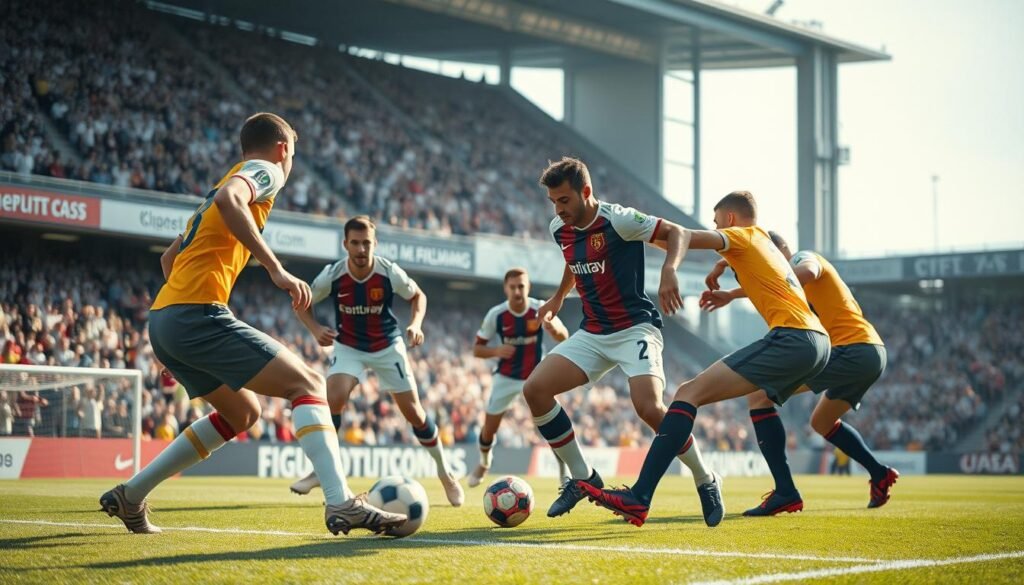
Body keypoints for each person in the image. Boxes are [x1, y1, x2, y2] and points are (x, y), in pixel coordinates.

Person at [100, 113, 405, 536]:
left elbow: (168, 260)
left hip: (166, 319)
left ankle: (130, 496)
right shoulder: (265, 171)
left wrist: (180, 341)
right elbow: (231, 199)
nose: (292, 163)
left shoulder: (211, 195)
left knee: (243, 412)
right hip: (193, 314)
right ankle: (341, 502)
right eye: (293, 155)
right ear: (283, 149)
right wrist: (276, 269)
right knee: (310, 385)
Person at [580, 190, 831, 527]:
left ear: (728, 220)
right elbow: (760, 263)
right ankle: (785, 489)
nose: (715, 228)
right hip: (819, 343)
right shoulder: (764, 242)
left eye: (716, 222)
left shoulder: (739, 235)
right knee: (759, 400)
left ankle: (639, 497)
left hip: (793, 338)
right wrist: (725, 267)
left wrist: (670, 269)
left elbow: (680, 234)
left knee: (687, 394)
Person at [524, 157, 723, 525]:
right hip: (594, 331)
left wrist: (669, 271)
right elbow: (575, 259)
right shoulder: (559, 227)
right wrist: (557, 298)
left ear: (585, 192)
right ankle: (583, 478)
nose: (558, 209)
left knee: (649, 409)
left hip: (635, 328)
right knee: (535, 390)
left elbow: (677, 233)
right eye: (553, 202)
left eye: (564, 200)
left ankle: (705, 478)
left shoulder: (619, 220)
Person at [700, 231, 898, 512]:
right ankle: (880, 474)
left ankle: (785, 492)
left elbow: (804, 271)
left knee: (759, 395)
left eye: (769, 254)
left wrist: (732, 272)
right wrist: (732, 292)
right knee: (822, 423)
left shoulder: (803, 257)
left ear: (779, 250)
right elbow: (777, 284)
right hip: (868, 352)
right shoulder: (789, 286)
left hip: (852, 348)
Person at [288, 216, 464, 507]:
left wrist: (416, 323)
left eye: (366, 243)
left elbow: (418, 295)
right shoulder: (333, 275)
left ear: (375, 244)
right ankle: (320, 471)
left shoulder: (387, 272)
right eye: (354, 243)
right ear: (345, 244)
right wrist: (315, 329)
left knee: (415, 415)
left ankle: (445, 474)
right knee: (334, 398)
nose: (361, 249)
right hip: (349, 346)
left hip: (387, 345)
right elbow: (301, 300)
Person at [468, 267, 570, 487]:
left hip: (536, 376)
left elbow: (565, 336)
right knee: (489, 427)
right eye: (513, 287)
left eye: (521, 286)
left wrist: (554, 329)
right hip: (506, 376)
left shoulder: (539, 308)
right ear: (506, 288)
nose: (517, 291)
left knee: (552, 424)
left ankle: (563, 470)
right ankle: (485, 462)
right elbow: (476, 349)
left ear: (528, 287)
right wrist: (496, 351)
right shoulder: (496, 315)